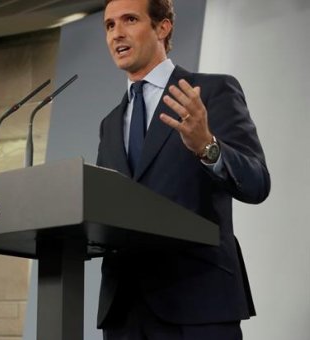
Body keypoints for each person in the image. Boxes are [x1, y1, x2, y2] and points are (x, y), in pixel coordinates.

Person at [96, 0, 271, 339]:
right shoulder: (110, 123)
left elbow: (257, 183)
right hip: (125, 310)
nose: (117, 33)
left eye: (129, 20)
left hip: (198, 302)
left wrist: (208, 145)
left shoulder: (213, 91)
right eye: (109, 25)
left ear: (163, 27)